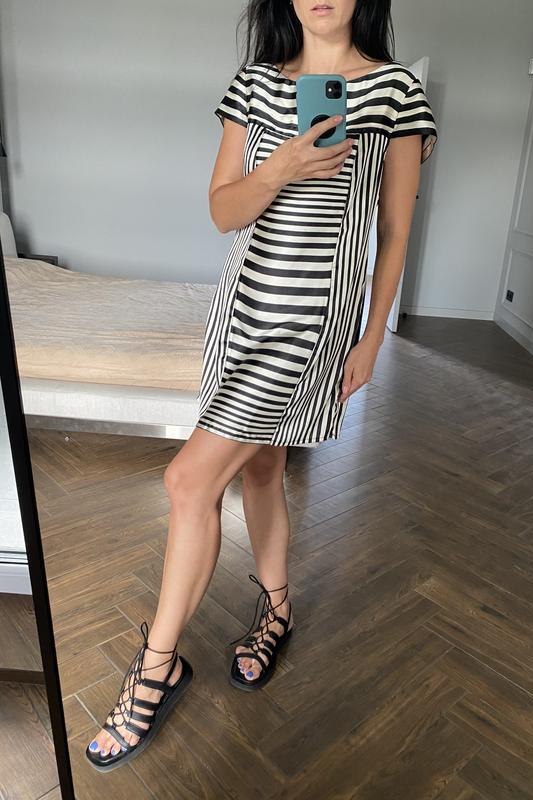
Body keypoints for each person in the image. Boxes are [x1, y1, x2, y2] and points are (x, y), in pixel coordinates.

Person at [85, 0, 437, 771]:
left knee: (186, 481)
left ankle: (155, 669)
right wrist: (279, 167)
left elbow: (394, 230)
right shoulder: (253, 85)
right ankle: (277, 612)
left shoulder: (395, 92)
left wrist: (373, 333)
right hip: (241, 309)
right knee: (263, 467)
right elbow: (223, 212)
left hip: (312, 319)